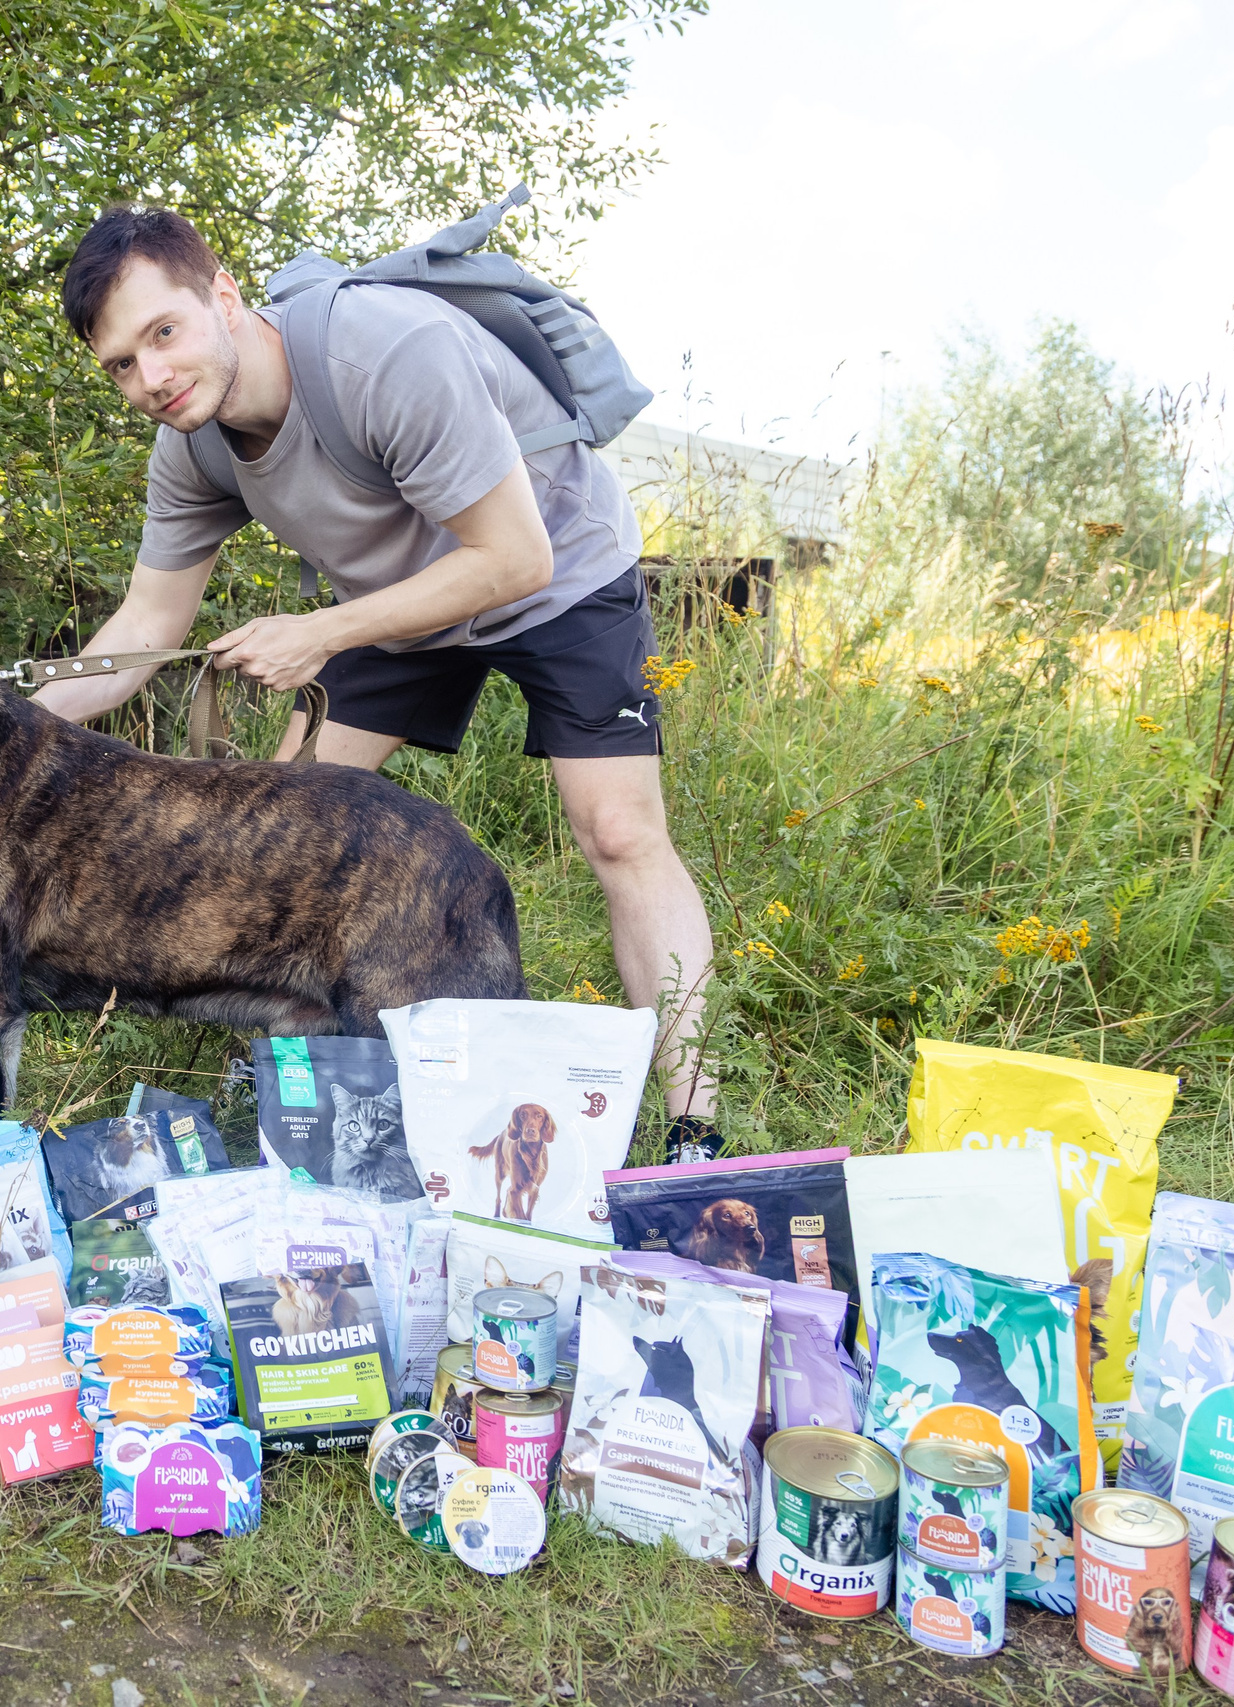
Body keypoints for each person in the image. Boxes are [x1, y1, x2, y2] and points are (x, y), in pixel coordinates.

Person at [36, 207, 721, 1152]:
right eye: (121, 363)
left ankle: (697, 1127)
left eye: (164, 333)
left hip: (556, 567)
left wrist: (320, 633)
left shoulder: (383, 356)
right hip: (399, 603)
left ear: (223, 296)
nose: (151, 377)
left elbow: (514, 559)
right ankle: (291, 1088)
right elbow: (148, 627)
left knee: (619, 830)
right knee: (274, 833)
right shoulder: (190, 445)